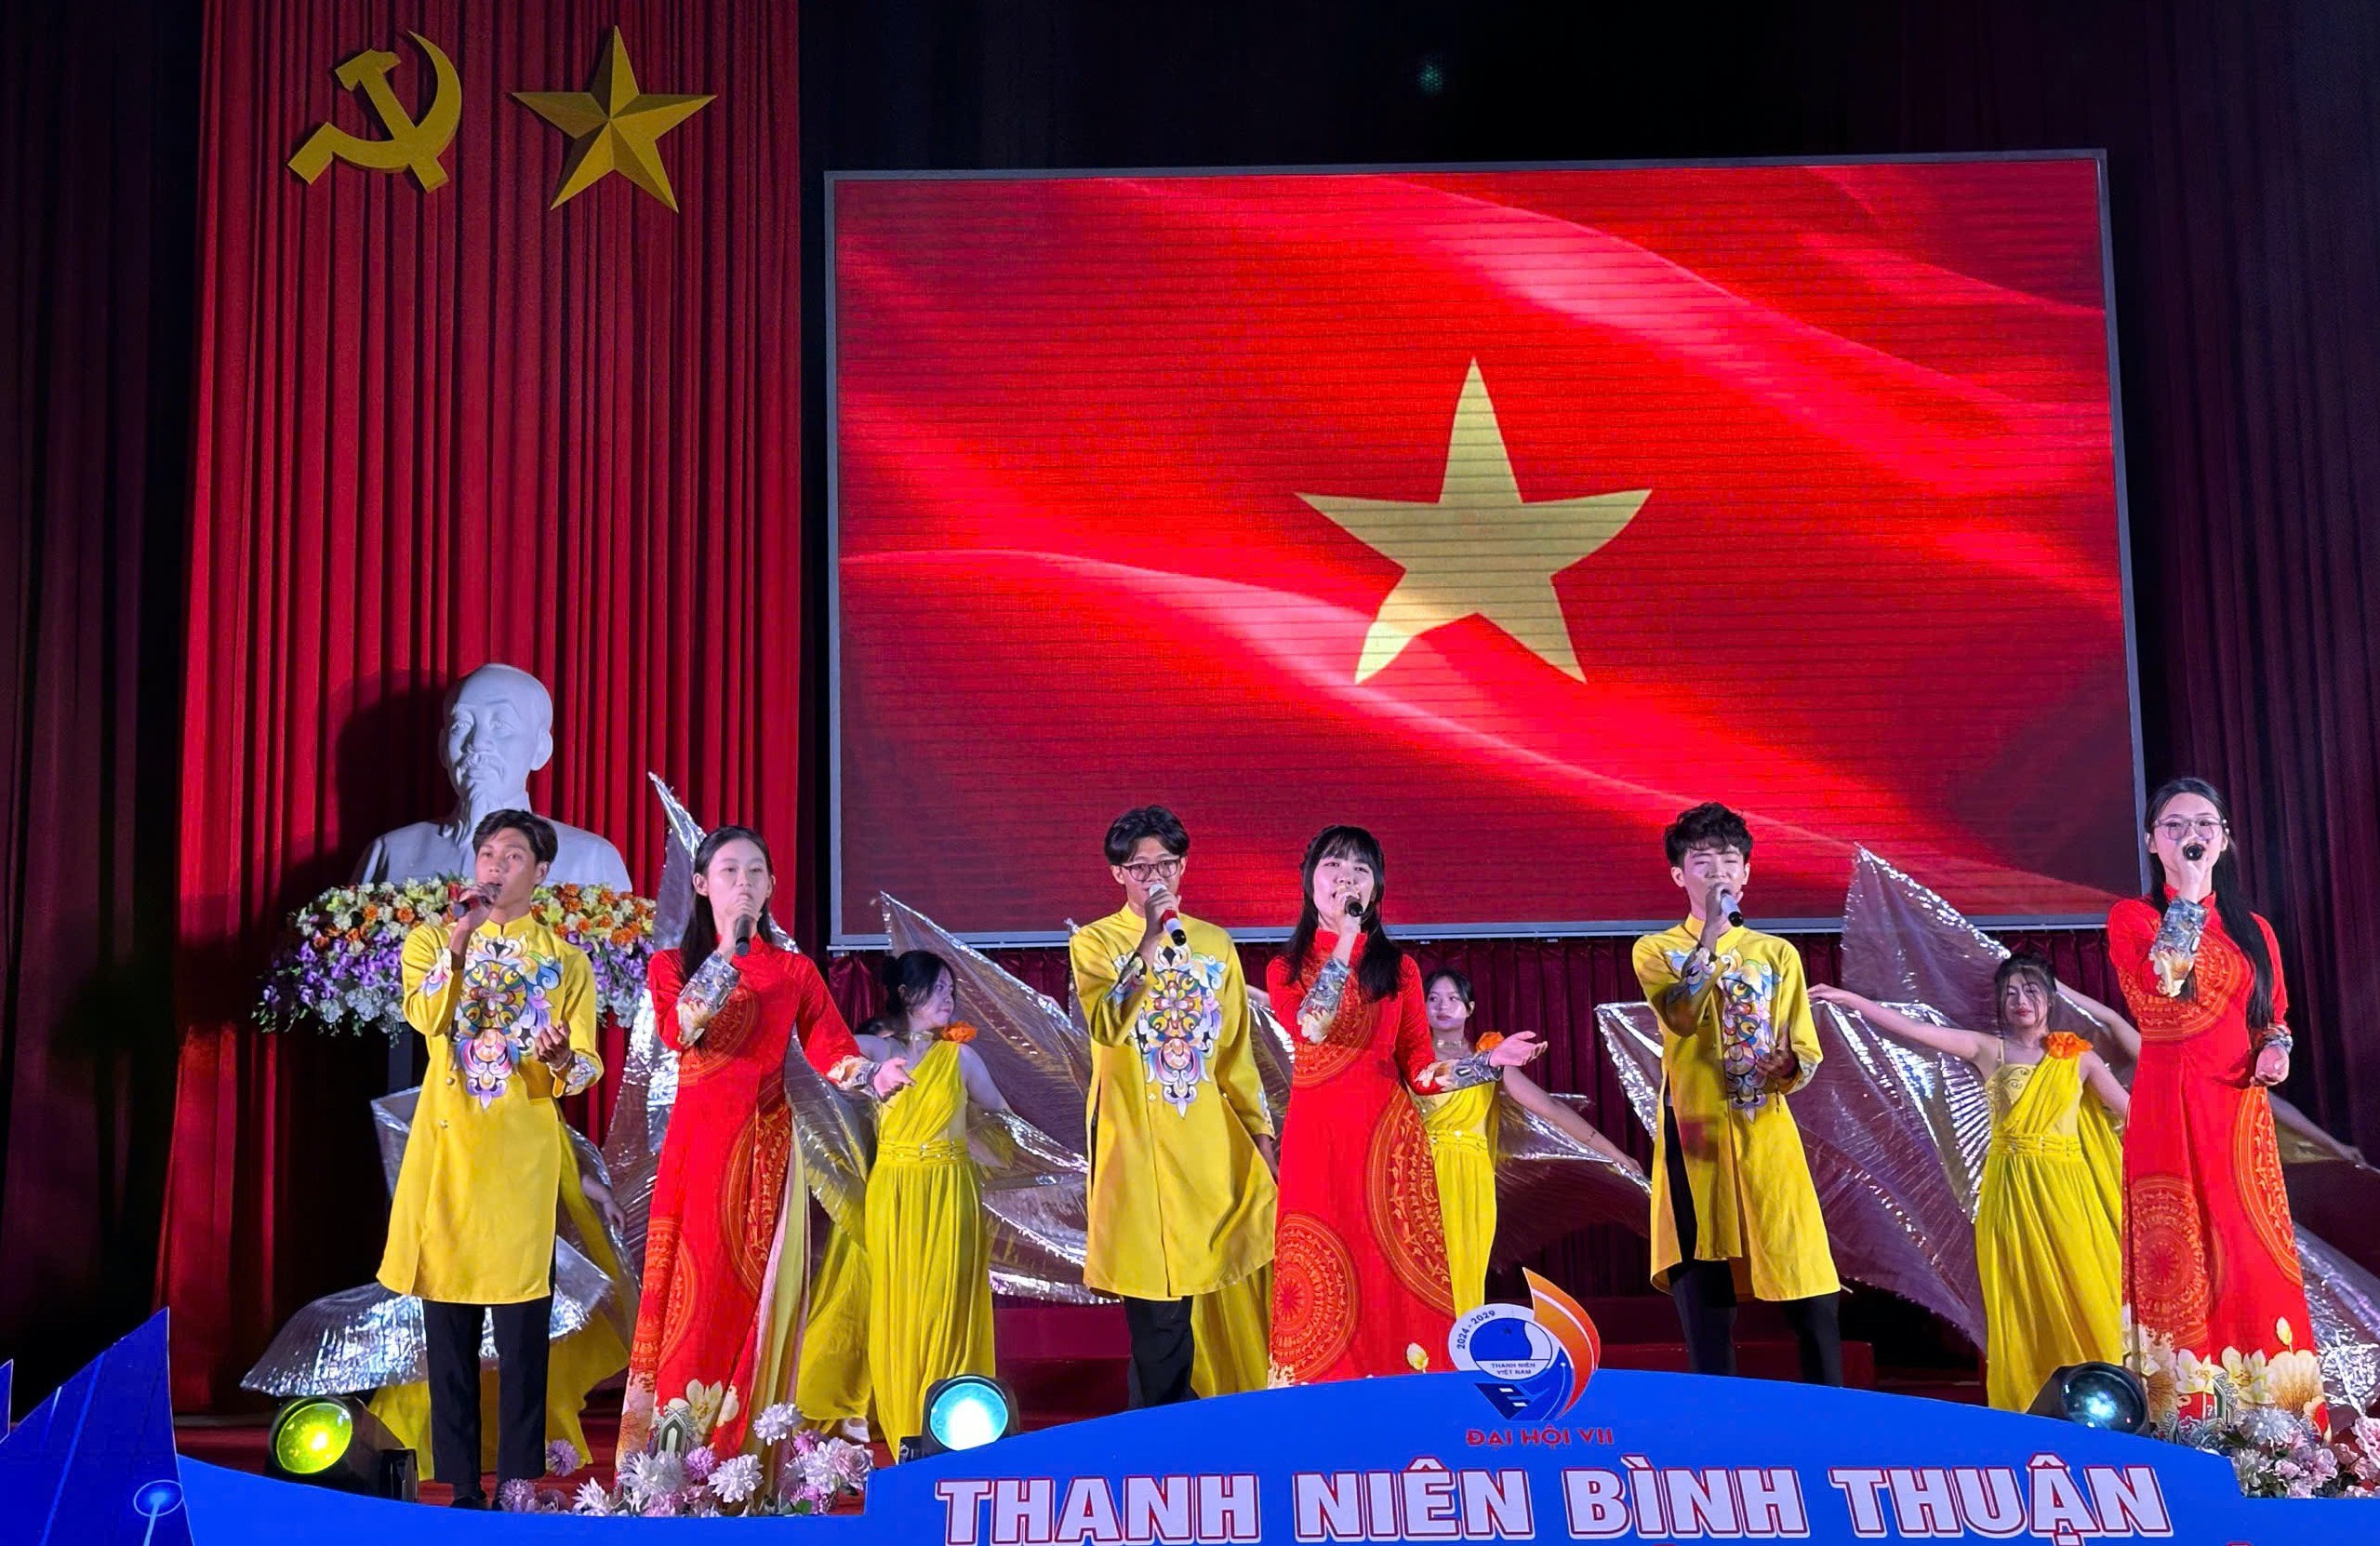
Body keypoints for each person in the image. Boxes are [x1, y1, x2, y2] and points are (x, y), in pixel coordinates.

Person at [617, 826, 911, 1461]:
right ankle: (671, 1461)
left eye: (755, 871)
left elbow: (834, 1050)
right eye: (728, 871)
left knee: (758, 1300)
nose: (743, 882)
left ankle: (744, 1460)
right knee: (690, 1303)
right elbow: (680, 1030)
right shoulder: (671, 966)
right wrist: (728, 950)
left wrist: (872, 1076)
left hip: (766, 1154)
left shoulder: (793, 971)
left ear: (772, 886)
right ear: (701, 886)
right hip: (697, 1156)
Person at [377, 811, 602, 1507]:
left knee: (520, 1327)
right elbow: (427, 1018)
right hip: (450, 1150)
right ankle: (459, 1483)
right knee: (447, 1321)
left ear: (539, 872)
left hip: (520, 1153)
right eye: (486, 853)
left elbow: (585, 1063)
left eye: (512, 855)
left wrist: (563, 1056)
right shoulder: (429, 942)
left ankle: (515, 1480)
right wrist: (461, 937)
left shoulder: (565, 960)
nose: (495, 865)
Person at [1265, 827, 1539, 1383]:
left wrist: (1487, 1063)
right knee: (1319, 1271)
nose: (1347, 876)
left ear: (1377, 888)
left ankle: (1407, 1397)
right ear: (1309, 881)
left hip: (1390, 1142)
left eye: (1361, 869)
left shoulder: (1402, 970)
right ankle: (1318, 1402)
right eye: (1334, 865)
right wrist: (1343, 938)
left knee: (1392, 1274)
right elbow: (1313, 1027)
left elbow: (1420, 1070)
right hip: (1317, 1142)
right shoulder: (1285, 969)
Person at [1815, 955, 2130, 1409]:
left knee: (2083, 1284)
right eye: (2011, 993)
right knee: (2021, 1294)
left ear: (2050, 1000)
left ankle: (2102, 1395)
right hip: (2010, 1191)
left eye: (2032, 990)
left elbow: (2133, 1113)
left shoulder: (2078, 1058)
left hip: (2067, 1188)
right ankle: (2029, 1402)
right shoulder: (1989, 1050)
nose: (2021, 1001)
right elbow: (1914, 1030)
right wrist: (1853, 1000)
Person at [2107, 777, 2325, 1429]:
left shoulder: (2255, 929)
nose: (2190, 835)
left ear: (2224, 840)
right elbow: (2163, 986)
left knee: (2249, 1251)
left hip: (2237, 1114)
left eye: (2203, 824)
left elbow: (2273, 1014)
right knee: (2182, 1256)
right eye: (2173, 826)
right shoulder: (2133, 918)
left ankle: (2275, 1422)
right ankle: (2187, 1418)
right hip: (2169, 1107)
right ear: (2152, 843)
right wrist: (2193, 897)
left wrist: (2276, 1048)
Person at [1069, 806, 1279, 1406]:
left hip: (1208, 1149)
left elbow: (1235, 1054)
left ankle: (1226, 1424)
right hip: (1138, 1151)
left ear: (1183, 866)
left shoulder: (1214, 945)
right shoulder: (1095, 944)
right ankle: (1157, 1446)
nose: (1153, 876)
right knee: (1158, 1316)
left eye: (1165, 864)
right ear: (1118, 876)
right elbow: (1108, 1023)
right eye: (1139, 867)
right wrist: (1149, 940)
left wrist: (1261, 1137)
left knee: (1224, 1292)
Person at [1631, 802, 1842, 1383]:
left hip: (1764, 1130)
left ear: (1746, 873)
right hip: (1693, 1137)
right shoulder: (1656, 950)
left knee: (1807, 1281)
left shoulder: (1779, 954)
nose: (1718, 872)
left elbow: (1805, 1045)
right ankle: (1712, 1423)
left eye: (1729, 860)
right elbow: (1679, 1014)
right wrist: (1714, 941)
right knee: (1706, 1284)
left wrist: (1786, 1064)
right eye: (1703, 862)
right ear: (1679, 876)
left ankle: (1832, 1418)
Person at [856, 952, 1007, 1452]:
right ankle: (904, 1430)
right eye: (938, 988)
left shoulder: (961, 1057)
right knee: (898, 1306)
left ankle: (949, 1432)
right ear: (906, 993)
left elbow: (1005, 1120)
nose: (949, 998)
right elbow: (821, 1059)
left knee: (948, 1302)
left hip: (949, 1190)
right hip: (894, 1192)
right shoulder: (876, 1052)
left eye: (951, 989)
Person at [1419, 966, 1631, 1315]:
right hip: (1418, 1176)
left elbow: (1549, 1108)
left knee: (1465, 1269)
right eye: (1432, 999)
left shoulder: (1491, 1060)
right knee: (1420, 1269)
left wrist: (1614, 1153)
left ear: (1470, 1008)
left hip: (1472, 1179)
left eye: (1453, 998)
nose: (1442, 1006)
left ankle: (1452, 1359)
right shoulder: (1413, 1061)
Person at [356, 662, 632, 889]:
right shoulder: (391, 854)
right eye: (462, 725)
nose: (477, 743)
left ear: (541, 749)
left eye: (501, 724)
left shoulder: (591, 860)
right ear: (442, 748)